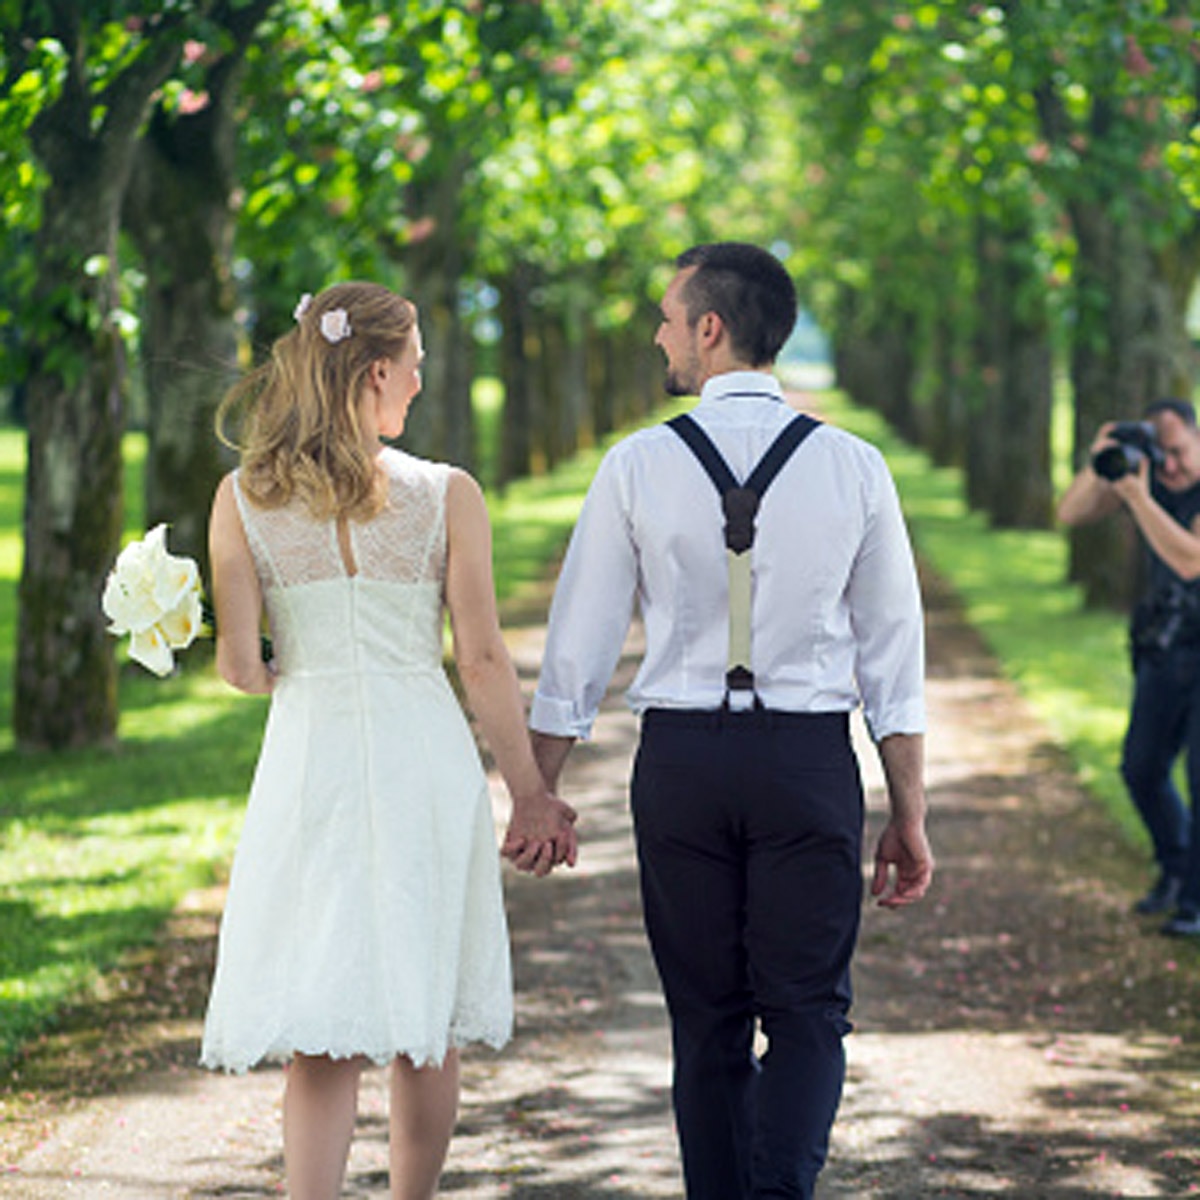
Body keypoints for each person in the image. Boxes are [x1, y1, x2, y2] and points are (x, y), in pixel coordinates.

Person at [511, 242, 934, 1199]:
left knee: (704, 1017)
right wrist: (908, 811)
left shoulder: (638, 465)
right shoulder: (855, 468)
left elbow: (577, 652)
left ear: (711, 328)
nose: (658, 335)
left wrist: (539, 792)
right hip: (805, 763)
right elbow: (892, 661)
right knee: (809, 1013)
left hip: (682, 767)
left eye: (668, 317)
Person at [199, 281, 577, 1200]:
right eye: (413, 365)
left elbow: (242, 669)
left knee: (323, 1021)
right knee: (424, 1008)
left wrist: (293, 658)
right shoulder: (448, 494)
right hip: (421, 758)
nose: (418, 381)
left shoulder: (243, 497)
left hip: (311, 762)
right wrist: (529, 791)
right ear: (376, 371)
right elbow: (481, 660)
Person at [1057, 398, 1200, 939]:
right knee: (1140, 767)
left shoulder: (1163, 489)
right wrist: (1103, 464)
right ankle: (1176, 866)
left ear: (1196, 435)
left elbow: (1190, 560)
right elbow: (1070, 513)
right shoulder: (1149, 479)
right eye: (1159, 454)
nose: (1170, 466)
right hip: (1165, 645)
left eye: (1180, 452)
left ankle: (1194, 902)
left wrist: (1137, 494)